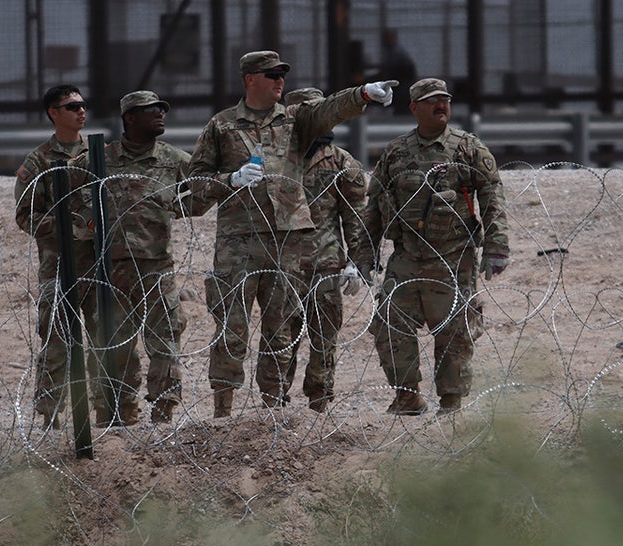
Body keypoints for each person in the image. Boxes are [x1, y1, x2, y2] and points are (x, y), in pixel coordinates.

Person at [187, 50, 398, 417]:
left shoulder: (296, 121)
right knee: (232, 328)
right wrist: (230, 180)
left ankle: (273, 408)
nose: (280, 81)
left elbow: (330, 109)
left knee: (279, 331)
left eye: (282, 74)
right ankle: (223, 410)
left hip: (286, 241)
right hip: (238, 243)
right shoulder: (221, 126)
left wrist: (363, 93)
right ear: (250, 79)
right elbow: (195, 184)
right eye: (271, 75)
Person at [364, 78, 509, 415]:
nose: (440, 106)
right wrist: (363, 255)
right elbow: (374, 206)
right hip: (407, 256)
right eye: (431, 101)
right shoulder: (396, 152)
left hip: (453, 257)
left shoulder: (467, 148)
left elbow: (492, 196)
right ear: (414, 108)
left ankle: (451, 400)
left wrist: (496, 246)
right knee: (389, 324)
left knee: (456, 330)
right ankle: (406, 395)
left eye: (444, 100)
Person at [87, 90, 198, 425]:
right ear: (130, 118)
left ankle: (163, 411)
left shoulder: (175, 160)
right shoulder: (98, 158)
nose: (160, 116)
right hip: (112, 267)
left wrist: (165, 209)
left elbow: (198, 198)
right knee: (115, 344)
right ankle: (120, 413)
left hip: (156, 266)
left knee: (164, 340)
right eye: (152, 112)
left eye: (162, 110)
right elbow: (77, 201)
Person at [14, 84, 104, 429]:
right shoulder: (38, 161)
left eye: (83, 104)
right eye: (72, 107)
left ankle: (106, 413)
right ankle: (50, 416)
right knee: (57, 341)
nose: (81, 111)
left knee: (104, 338)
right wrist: (67, 223)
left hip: (96, 264)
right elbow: (25, 216)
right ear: (54, 113)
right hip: (58, 265)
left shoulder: (98, 153)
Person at [282, 87, 375, 413]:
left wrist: (359, 262)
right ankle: (275, 404)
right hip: (283, 264)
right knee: (280, 338)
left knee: (325, 337)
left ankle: (319, 400)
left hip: (325, 263)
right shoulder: (276, 160)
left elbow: (355, 217)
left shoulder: (340, 162)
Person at [375, 29, 418, 116]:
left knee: (401, 109)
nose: (385, 41)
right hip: (401, 86)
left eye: (388, 38)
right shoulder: (392, 52)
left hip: (403, 86)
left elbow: (390, 70)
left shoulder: (396, 53)